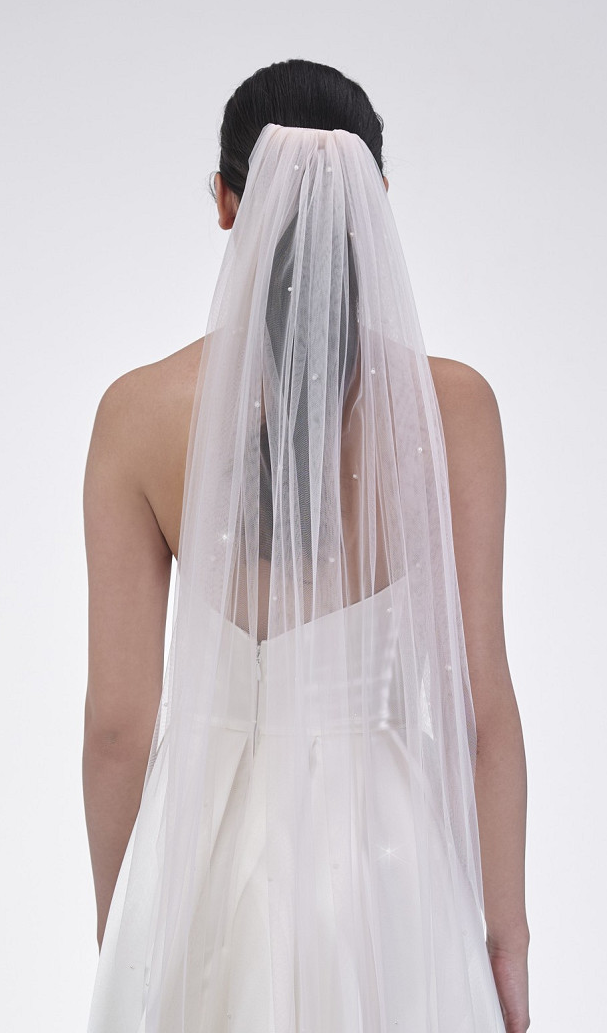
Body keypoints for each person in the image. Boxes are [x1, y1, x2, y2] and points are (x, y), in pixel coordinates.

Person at [83, 59, 530, 1033]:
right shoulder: (454, 412)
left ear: (224, 201)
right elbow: (480, 707)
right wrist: (507, 939)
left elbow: (118, 726)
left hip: (199, 857)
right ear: (376, 200)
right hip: (382, 865)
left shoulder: (137, 413)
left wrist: (126, 929)